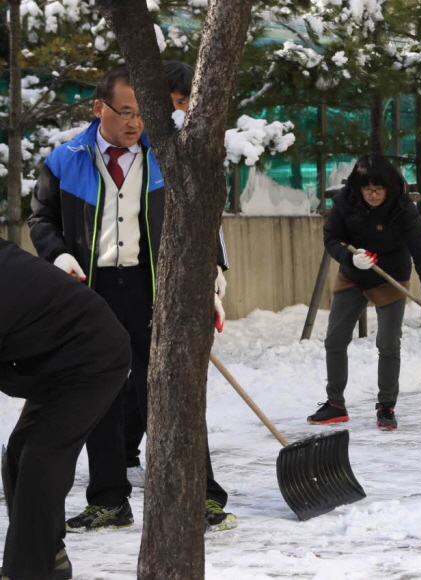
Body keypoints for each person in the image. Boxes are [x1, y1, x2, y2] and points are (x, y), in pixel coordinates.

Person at [28, 65, 235, 533]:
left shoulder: (169, 155)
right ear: (98, 108)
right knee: (97, 396)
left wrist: (213, 272)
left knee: (168, 391)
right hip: (91, 288)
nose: (136, 124)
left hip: (153, 287)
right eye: (125, 112)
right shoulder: (65, 159)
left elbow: (206, 216)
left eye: (144, 113)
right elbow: (42, 219)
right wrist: (58, 257)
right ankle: (108, 499)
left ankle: (201, 496)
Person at [120, 60, 229, 488]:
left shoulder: (184, 146)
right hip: (125, 278)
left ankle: (189, 480)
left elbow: (207, 213)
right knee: (133, 374)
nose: (180, 111)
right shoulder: (123, 145)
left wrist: (216, 265)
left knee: (155, 374)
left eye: (186, 103)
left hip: (171, 277)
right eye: (176, 101)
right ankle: (122, 460)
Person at [0, 237, 131, 580]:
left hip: (94, 357)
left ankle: (29, 571)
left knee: (41, 456)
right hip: (55, 359)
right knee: (19, 453)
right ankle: (50, 556)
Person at [307, 154, 421, 430]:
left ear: (390, 187)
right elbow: (332, 237)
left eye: (379, 189)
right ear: (358, 188)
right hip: (353, 274)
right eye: (367, 189)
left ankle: (386, 406)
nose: (373, 195)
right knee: (335, 340)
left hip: (391, 277)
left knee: (388, 343)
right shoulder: (346, 202)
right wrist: (349, 257)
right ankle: (335, 403)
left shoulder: (403, 208)